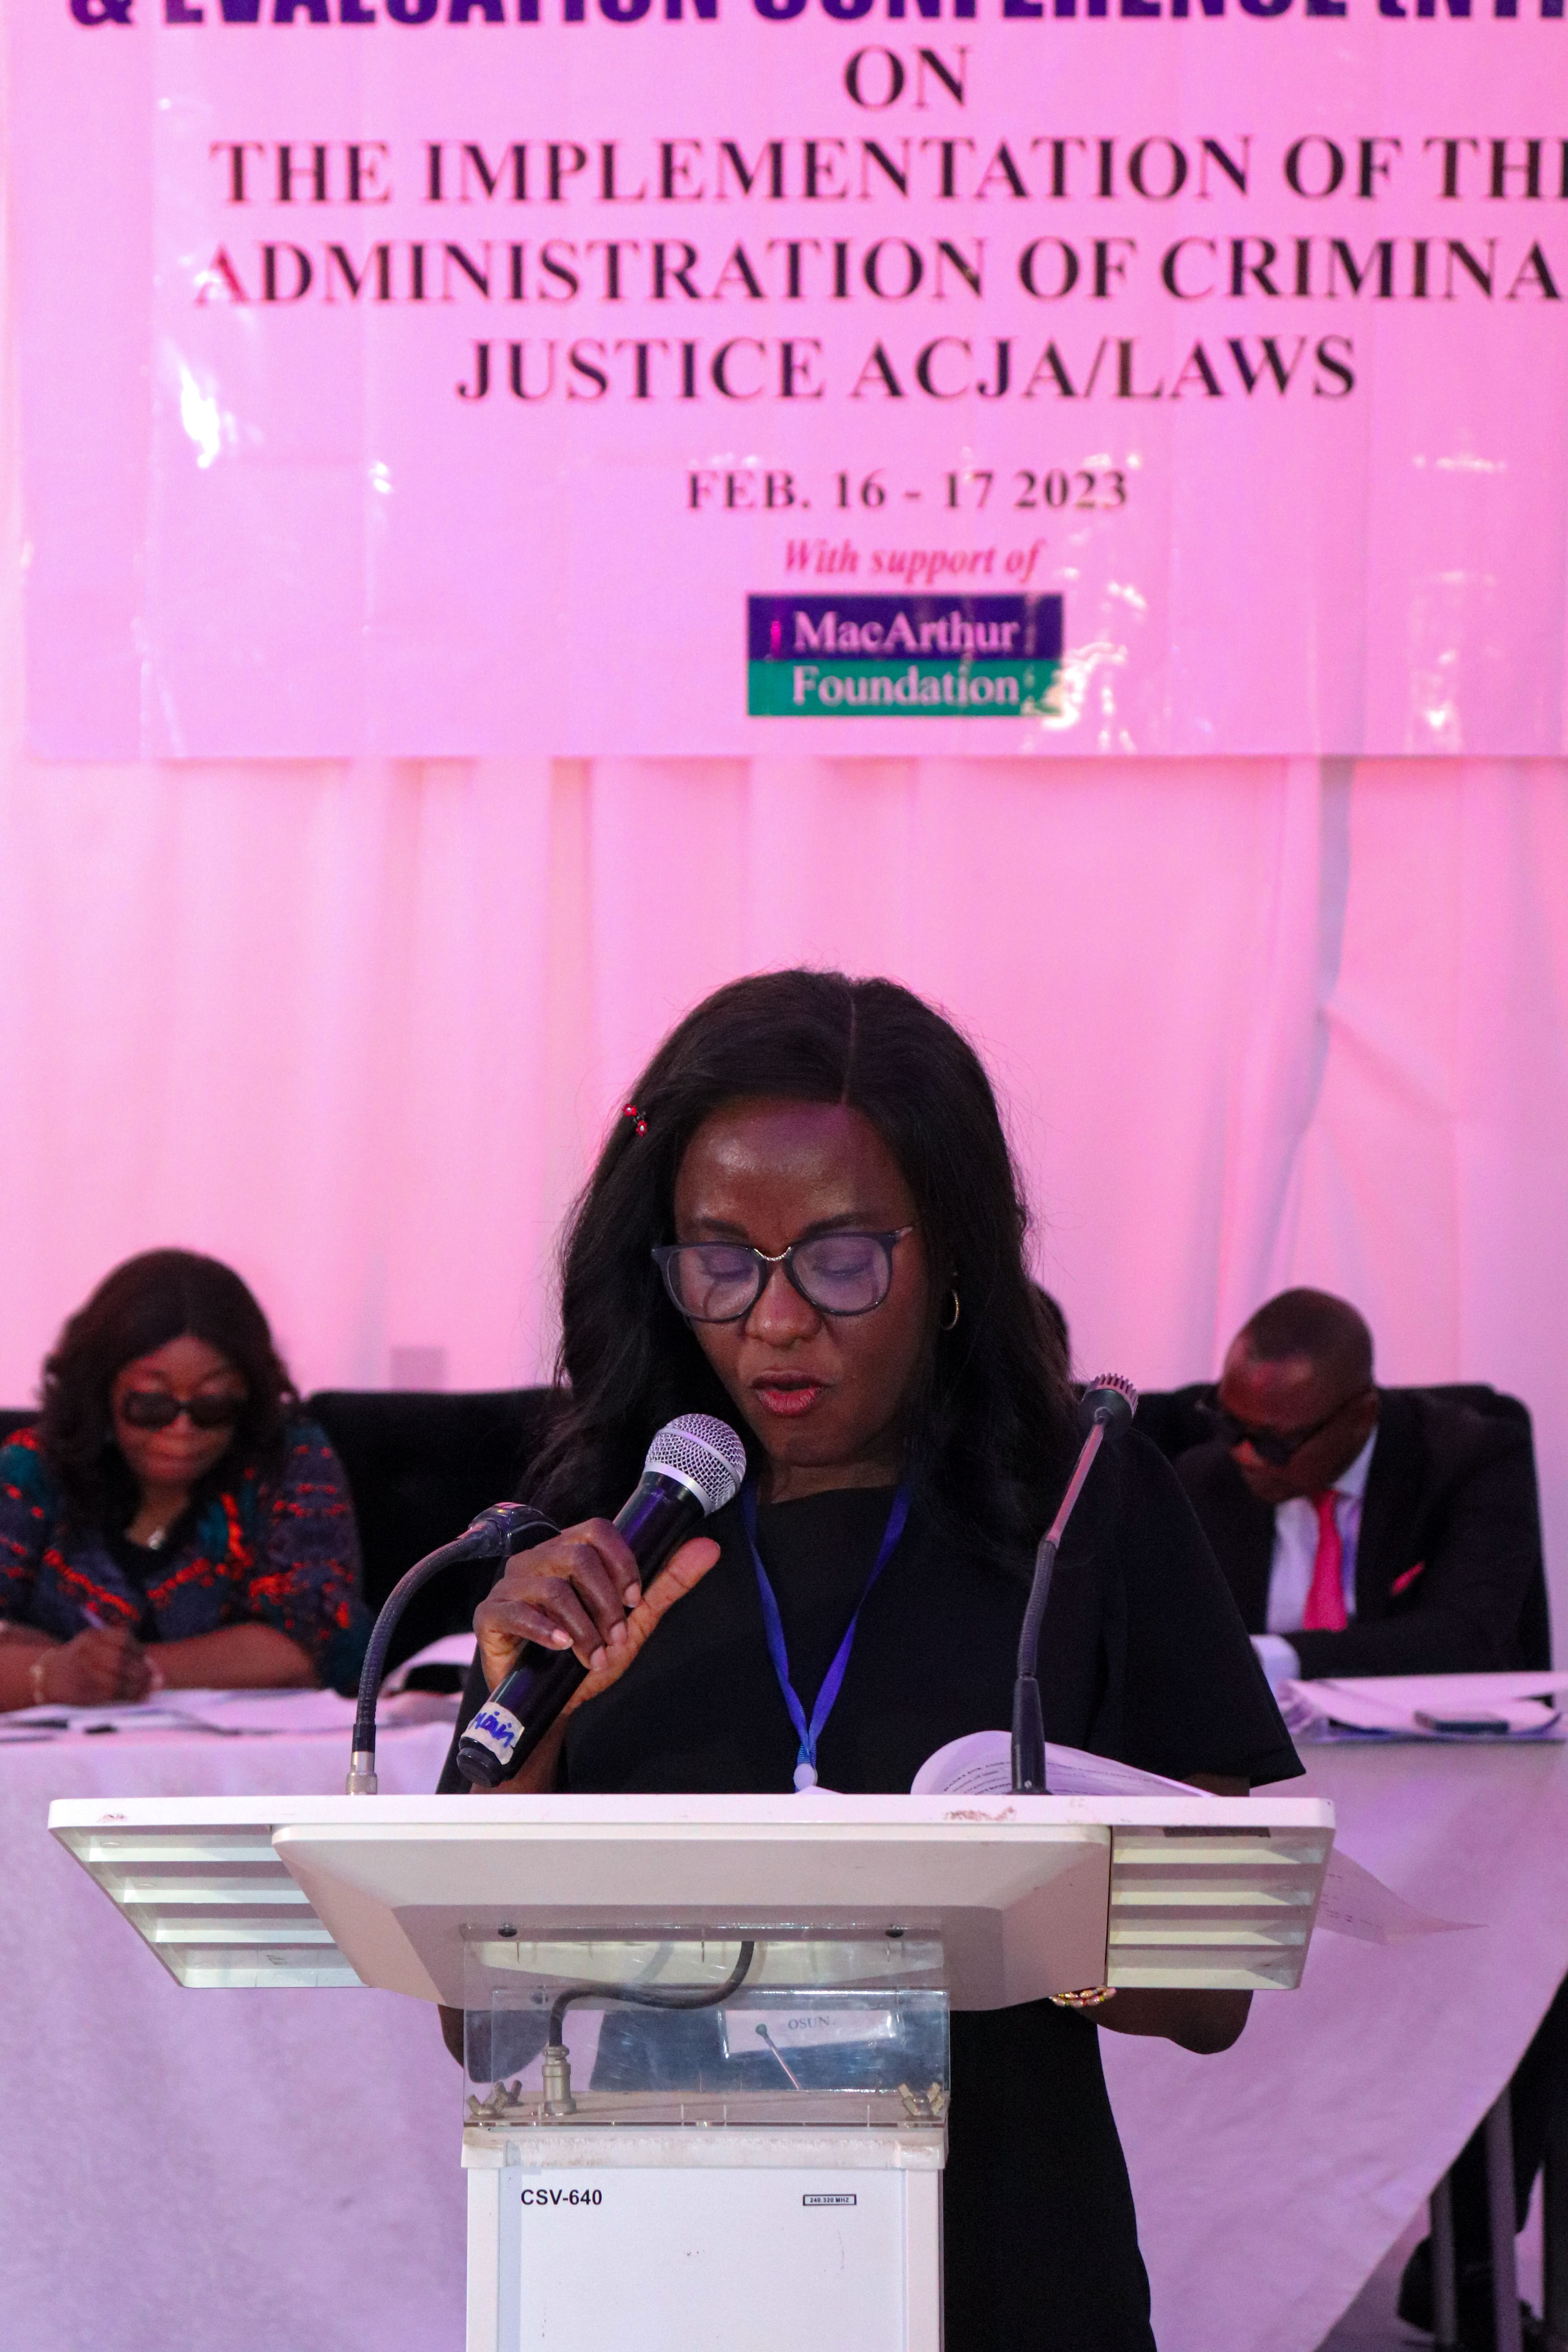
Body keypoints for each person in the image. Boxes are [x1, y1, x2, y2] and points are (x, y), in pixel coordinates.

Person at [439, 969, 1300, 2352]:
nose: (776, 1320)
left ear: (951, 1257)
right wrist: (524, 1729)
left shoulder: (1084, 1504)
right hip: (666, 2271)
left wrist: (1000, 1917)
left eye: (841, 1261)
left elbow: (1211, 1993)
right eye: (720, 1259)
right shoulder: (602, 1530)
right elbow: (474, 2020)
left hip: (1005, 2273)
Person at [0, 1248, 367, 1709]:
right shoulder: (33, 1469)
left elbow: (307, 1646)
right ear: (102, 1391)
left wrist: (119, 1672)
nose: (182, 1428)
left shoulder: (288, 1458)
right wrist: (53, 1676)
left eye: (212, 1404)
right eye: (152, 1404)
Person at [1168, 1288, 1547, 1684]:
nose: (1245, 1455)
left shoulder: (1469, 1460)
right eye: (1230, 1425)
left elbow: (1466, 1637)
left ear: (1362, 1416)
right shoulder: (1205, 1479)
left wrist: (1274, 1658)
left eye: (1274, 1442)